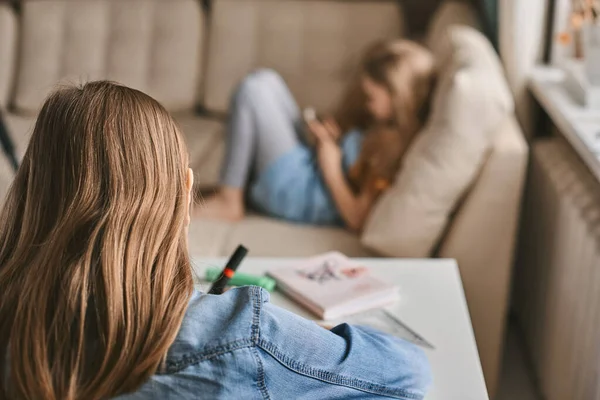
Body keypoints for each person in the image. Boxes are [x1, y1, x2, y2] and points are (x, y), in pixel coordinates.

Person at [0, 81, 431, 399]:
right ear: (184, 193)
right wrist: (301, 336)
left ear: (32, 194)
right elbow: (409, 373)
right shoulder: (241, 332)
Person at [197, 40, 436, 231]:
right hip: (311, 169)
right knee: (267, 79)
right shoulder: (385, 126)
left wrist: (330, 164)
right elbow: (352, 169)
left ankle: (230, 199)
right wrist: (332, 144)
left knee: (253, 89)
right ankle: (236, 188)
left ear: (400, 97)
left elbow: (357, 218)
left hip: (300, 193)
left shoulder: (392, 151)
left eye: (372, 98)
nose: (367, 104)